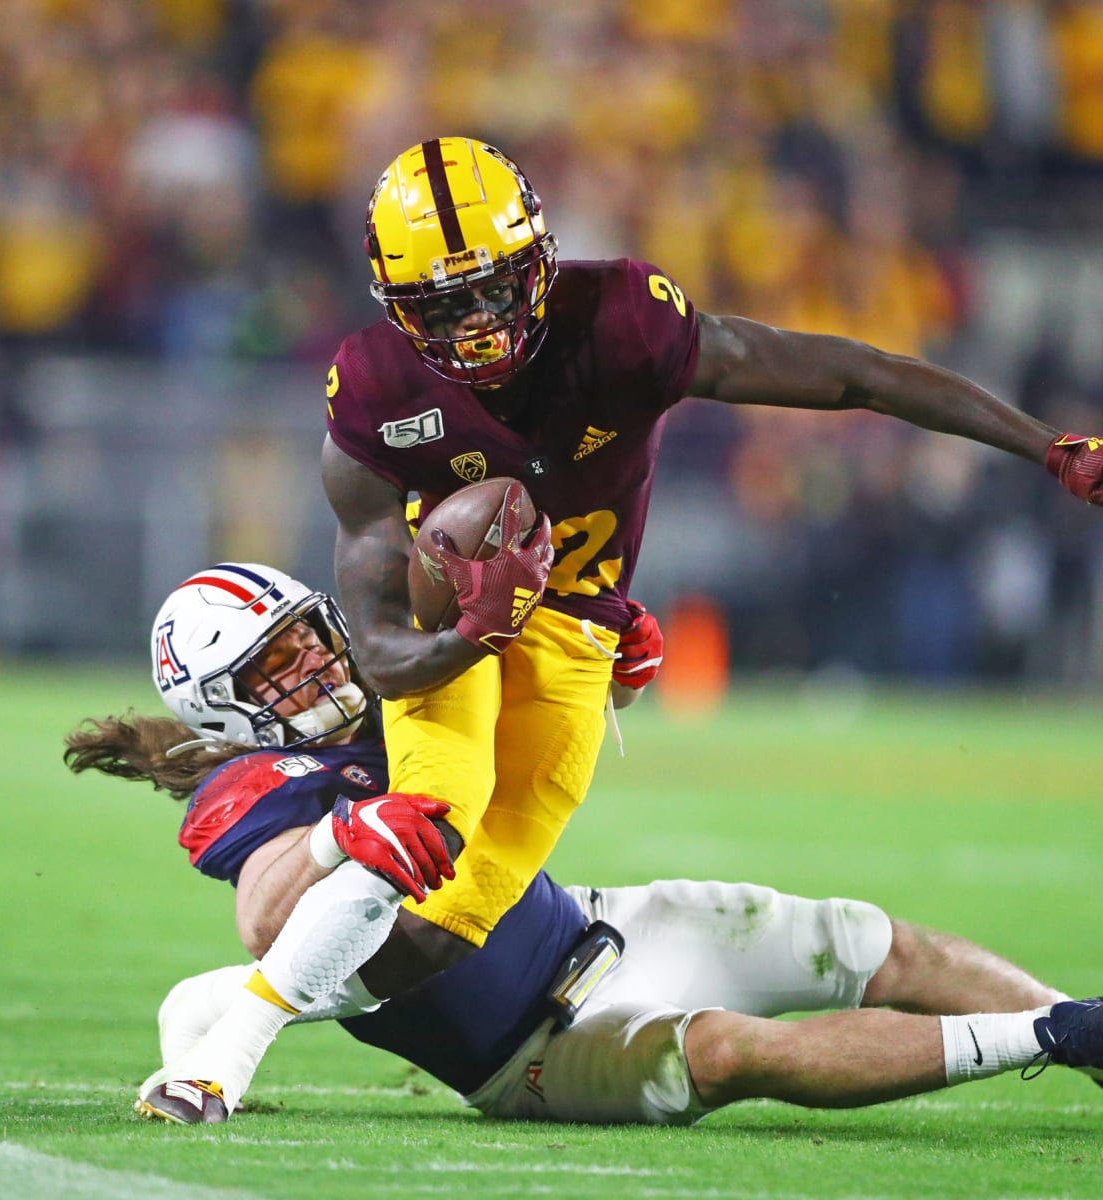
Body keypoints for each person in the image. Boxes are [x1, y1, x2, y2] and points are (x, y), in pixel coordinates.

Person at [318, 135, 1103, 1019]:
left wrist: (1045, 445)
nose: (481, 324)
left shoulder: (625, 323)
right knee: (432, 819)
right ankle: (297, 886)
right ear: (395, 306)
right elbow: (381, 653)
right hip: (449, 621)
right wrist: (472, 628)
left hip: (576, 623)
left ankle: (256, 991)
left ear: (539, 259)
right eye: (446, 304)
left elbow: (857, 376)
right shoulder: (376, 386)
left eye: (497, 288)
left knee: (455, 918)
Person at [66, 562, 1103, 1127]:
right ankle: (1062, 1035)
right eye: (272, 669)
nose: (310, 669)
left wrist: (604, 656)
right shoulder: (252, 786)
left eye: (304, 638)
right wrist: (343, 836)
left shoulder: (402, 678)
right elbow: (265, 913)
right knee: (739, 1052)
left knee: (869, 941)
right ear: (224, 710)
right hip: (530, 1055)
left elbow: (525, 698)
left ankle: (1085, 1041)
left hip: (601, 924)